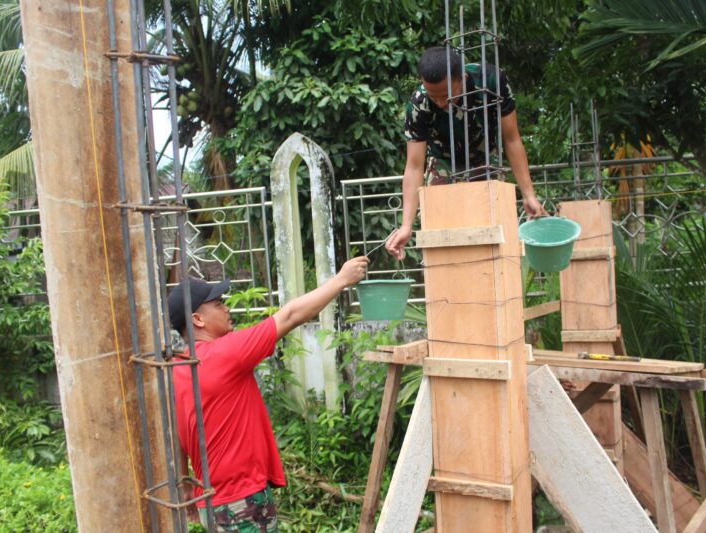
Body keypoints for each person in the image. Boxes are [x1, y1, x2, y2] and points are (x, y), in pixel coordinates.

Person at [168, 256, 369, 532]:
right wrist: (342, 279)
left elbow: (176, 433)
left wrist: (185, 485)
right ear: (198, 319)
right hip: (241, 502)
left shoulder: (177, 367)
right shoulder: (226, 353)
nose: (227, 308)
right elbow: (291, 315)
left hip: (210, 502)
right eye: (218, 304)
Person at [386, 46, 547, 260]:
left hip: (485, 160)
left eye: (446, 95)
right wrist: (406, 225)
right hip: (443, 162)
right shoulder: (419, 104)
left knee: (494, 231)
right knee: (441, 232)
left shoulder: (491, 82)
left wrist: (529, 194)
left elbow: (512, 139)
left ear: (462, 78)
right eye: (434, 97)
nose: (440, 103)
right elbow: (415, 166)